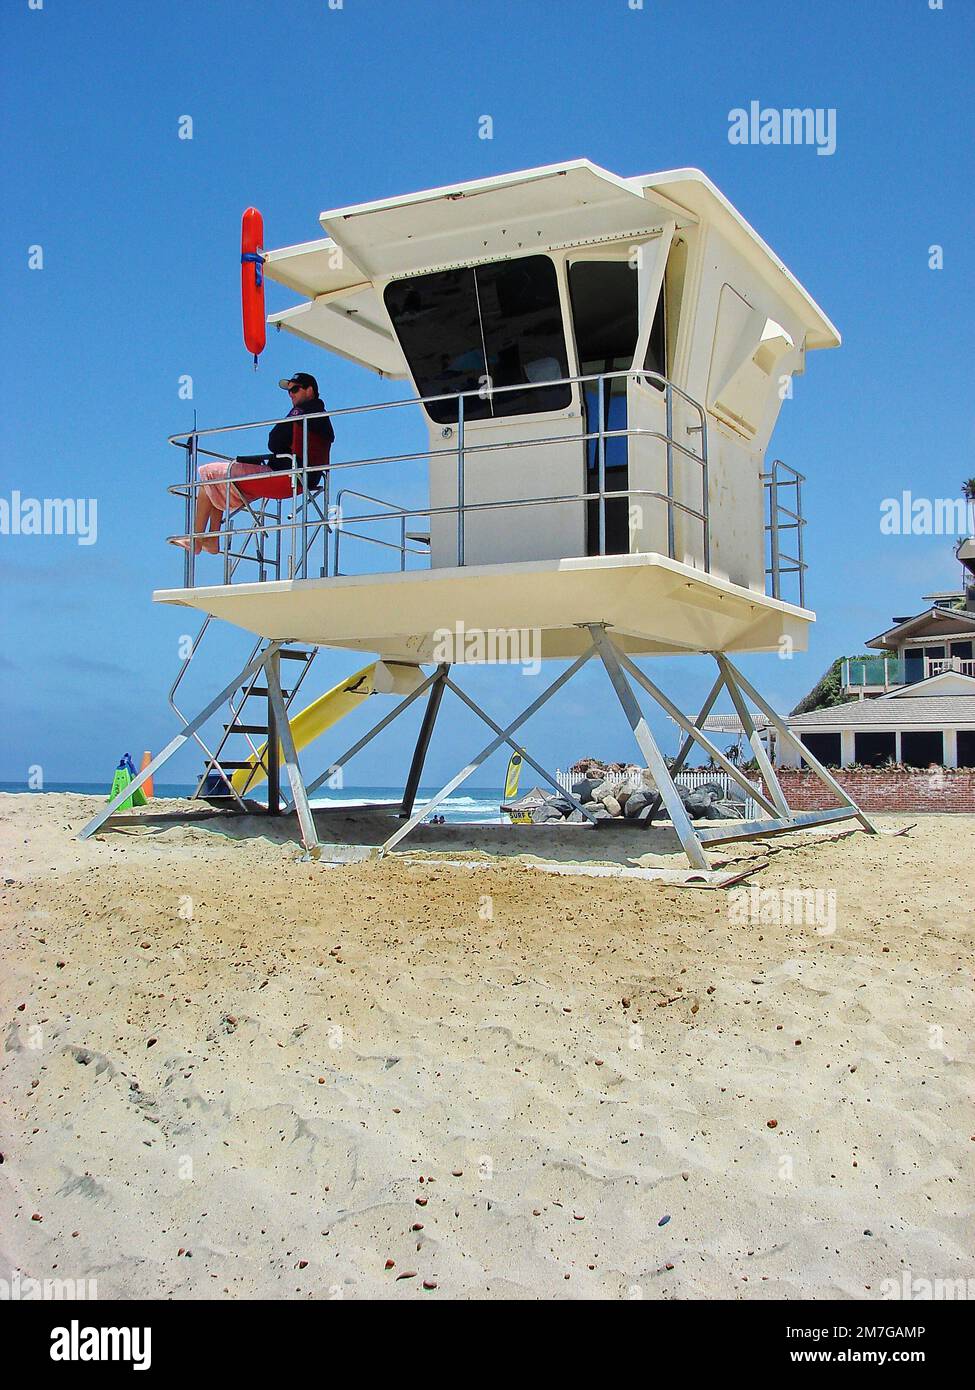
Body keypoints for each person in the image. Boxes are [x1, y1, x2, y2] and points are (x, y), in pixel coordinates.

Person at [173, 373, 334, 554]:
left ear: (310, 390)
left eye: (295, 389)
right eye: (289, 391)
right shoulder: (323, 417)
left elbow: (274, 440)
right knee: (216, 482)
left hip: (285, 477)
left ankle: (198, 539)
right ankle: (210, 538)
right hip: (306, 479)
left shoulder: (303, 412)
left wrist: (280, 451)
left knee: (207, 474)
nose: (291, 395)